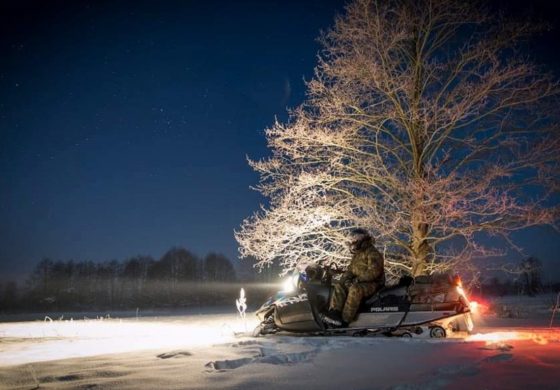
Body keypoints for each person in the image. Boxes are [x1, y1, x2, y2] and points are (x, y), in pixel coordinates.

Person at [323, 228, 385, 327]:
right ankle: (335, 314)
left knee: (355, 289)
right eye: (353, 237)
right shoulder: (357, 255)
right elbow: (350, 270)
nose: (354, 240)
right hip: (359, 282)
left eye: (357, 237)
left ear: (364, 238)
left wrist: (357, 280)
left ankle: (345, 321)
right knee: (339, 285)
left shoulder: (372, 252)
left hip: (373, 284)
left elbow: (374, 272)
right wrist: (345, 279)